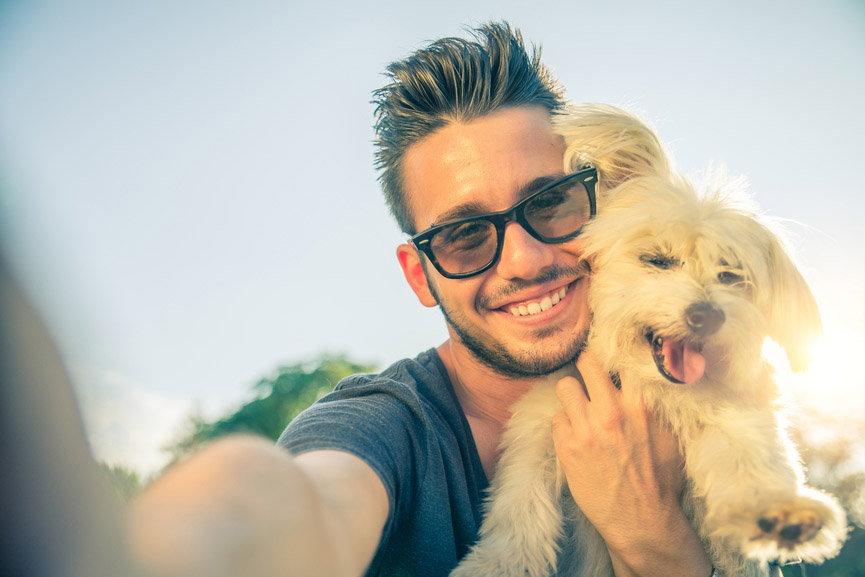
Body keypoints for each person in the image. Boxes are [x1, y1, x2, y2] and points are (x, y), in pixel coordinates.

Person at [126, 22, 715, 577]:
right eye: (464, 235)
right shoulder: (385, 429)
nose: (526, 260)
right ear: (419, 274)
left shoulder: (697, 386)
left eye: (551, 202)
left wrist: (658, 540)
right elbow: (312, 500)